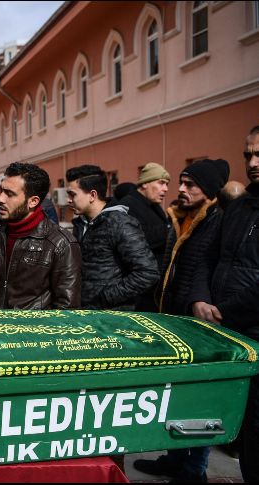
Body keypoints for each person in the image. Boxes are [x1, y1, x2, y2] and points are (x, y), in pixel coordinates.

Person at [133, 159, 229, 483]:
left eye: (190, 184)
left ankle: (194, 470)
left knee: (200, 400)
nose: (181, 189)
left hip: (199, 327)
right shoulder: (179, 218)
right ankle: (174, 458)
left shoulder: (217, 222)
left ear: (209, 190)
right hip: (173, 320)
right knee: (176, 396)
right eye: (181, 183)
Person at [192, 126, 259, 483]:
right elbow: (208, 257)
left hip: (249, 331)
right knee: (240, 428)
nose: (253, 162)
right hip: (226, 334)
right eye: (248, 154)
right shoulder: (239, 206)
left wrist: (223, 312)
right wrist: (200, 298)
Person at [0, 162, 81, 309]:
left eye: (9, 194)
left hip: (34, 324)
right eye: (1, 191)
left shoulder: (61, 243)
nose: (0, 199)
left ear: (33, 201)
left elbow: (67, 309)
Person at [66, 164, 159, 310]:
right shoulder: (81, 224)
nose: (68, 200)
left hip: (112, 315)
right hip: (85, 313)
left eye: (72, 194)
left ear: (92, 195)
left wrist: (106, 298)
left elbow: (148, 273)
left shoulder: (120, 223)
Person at [118, 162, 171, 311]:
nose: (165, 189)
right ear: (145, 183)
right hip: (138, 294)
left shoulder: (153, 205)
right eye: (161, 183)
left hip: (153, 290)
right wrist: (170, 230)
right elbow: (136, 241)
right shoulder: (128, 205)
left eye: (167, 184)